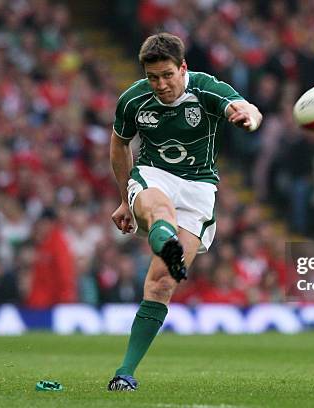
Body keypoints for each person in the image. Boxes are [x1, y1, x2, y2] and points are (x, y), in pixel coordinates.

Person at [107, 33, 262, 391]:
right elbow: (119, 144)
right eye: (152, 77)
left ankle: (128, 367)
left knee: (162, 283)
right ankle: (124, 375)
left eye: (167, 75)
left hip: (198, 188)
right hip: (153, 174)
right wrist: (123, 197)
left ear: (183, 68)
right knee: (159, 208)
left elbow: (247, 109)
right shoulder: (132, 100)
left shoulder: (207, 89)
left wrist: (247, 120)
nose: (160, 85)